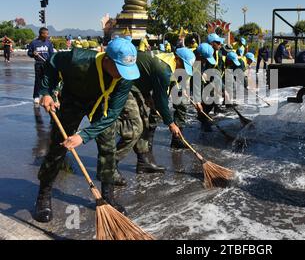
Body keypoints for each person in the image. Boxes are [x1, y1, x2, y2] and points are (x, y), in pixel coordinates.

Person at [33, 36, 140, 223]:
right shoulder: (78, 59)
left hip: (101, 106)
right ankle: (44, 194)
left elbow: (113, 113)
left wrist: (84, 135)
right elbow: (52, 62)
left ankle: (107, 196)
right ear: (107, 59)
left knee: (108, 147)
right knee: (59, 146)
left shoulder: (125, 78)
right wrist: (46, 92)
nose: (123, 74)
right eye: (120, 69)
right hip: (73, 99)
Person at [97, 47, 196, 188]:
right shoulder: (164, 69)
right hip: (124, 85)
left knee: (144, 120)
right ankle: (110, 165)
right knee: (135, 126)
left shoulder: (167, 61)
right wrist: (171, 123)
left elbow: (146, 77)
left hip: (136, 86)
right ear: (177, 59)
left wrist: (148, 96)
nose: (184, 69)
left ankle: (143, 161)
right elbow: (161, 101)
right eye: (183, 65)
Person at [27, 28, 55, 104]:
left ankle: (47, 95)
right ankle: (36, 96)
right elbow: (29, 53)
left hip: (47, 64)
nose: (47, 35)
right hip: (38, 64)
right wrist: (33, 53)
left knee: (47, 80)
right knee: (38, 80)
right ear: (41, 34)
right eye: (46, 34)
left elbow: (52, 54)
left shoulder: (49, 43)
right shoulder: (34, 43)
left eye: (47, 34)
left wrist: (51, 62)